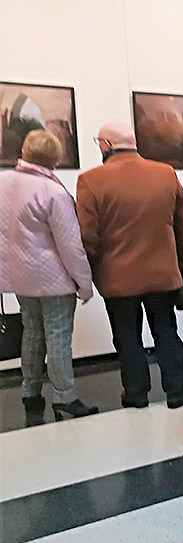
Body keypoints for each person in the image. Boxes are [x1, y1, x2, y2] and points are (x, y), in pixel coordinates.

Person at [76, 122, 183, 409]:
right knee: (166, 330)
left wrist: (88, 272)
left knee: (126, 335)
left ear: (107, 145)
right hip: (162, 274)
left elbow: (87, 235)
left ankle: (136, 393)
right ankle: (177, 389)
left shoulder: (90, 181)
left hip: (117, 277)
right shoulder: (165, 173)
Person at [0, 130, 97, 422]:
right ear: (55, 159)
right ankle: (64, 396)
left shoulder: (3, 182)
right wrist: (84, 283)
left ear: (24, 152)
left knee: (31, 331)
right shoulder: (53, 192)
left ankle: (30, 392)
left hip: (18, 276)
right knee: (57, 335)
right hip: (53, 279)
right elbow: (70, 245)